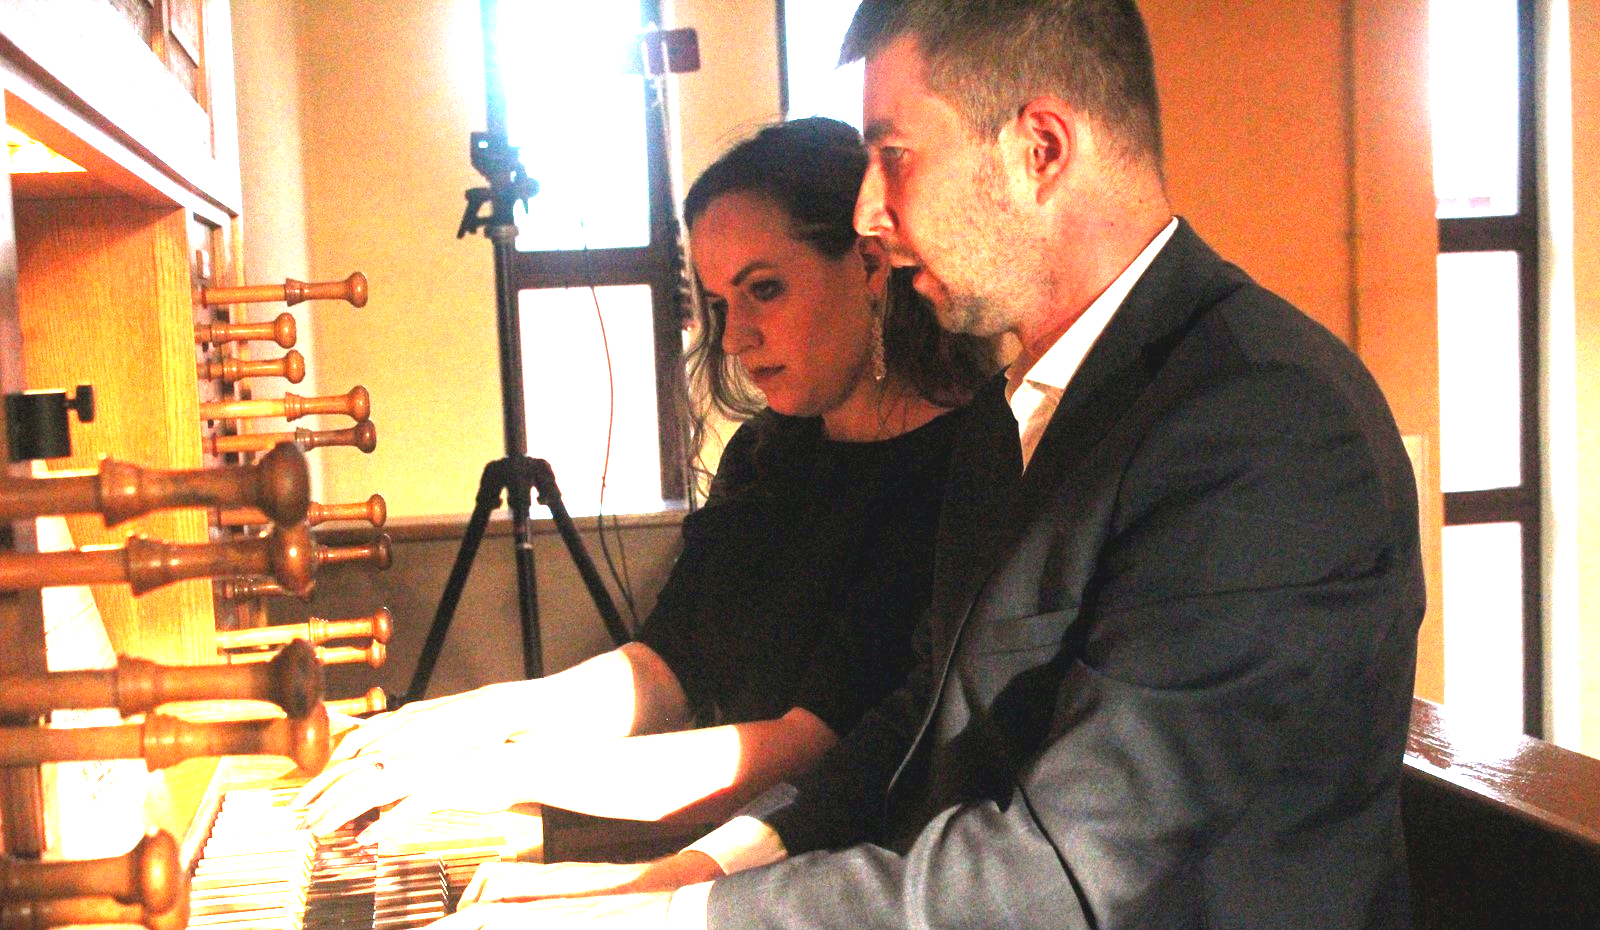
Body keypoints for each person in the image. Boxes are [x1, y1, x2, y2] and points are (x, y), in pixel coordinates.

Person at [432, 1, 1426, 928]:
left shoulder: (1264, 421)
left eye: (893, 157)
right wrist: (691, 876)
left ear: (1040, 151)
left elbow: (1070, 869)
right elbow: (916, 731)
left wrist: (665, 919)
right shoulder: (1014, 415)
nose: (867, 210)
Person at [292, 116, 995, 846]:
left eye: (765, 289)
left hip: (837, 872)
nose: (735, 337)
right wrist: (476, 718)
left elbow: (803, 749)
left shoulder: (962, 469)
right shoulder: (768, 452)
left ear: (871, 267)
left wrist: (508, 772)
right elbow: (664, 669)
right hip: (721, 848)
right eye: (721, 304)